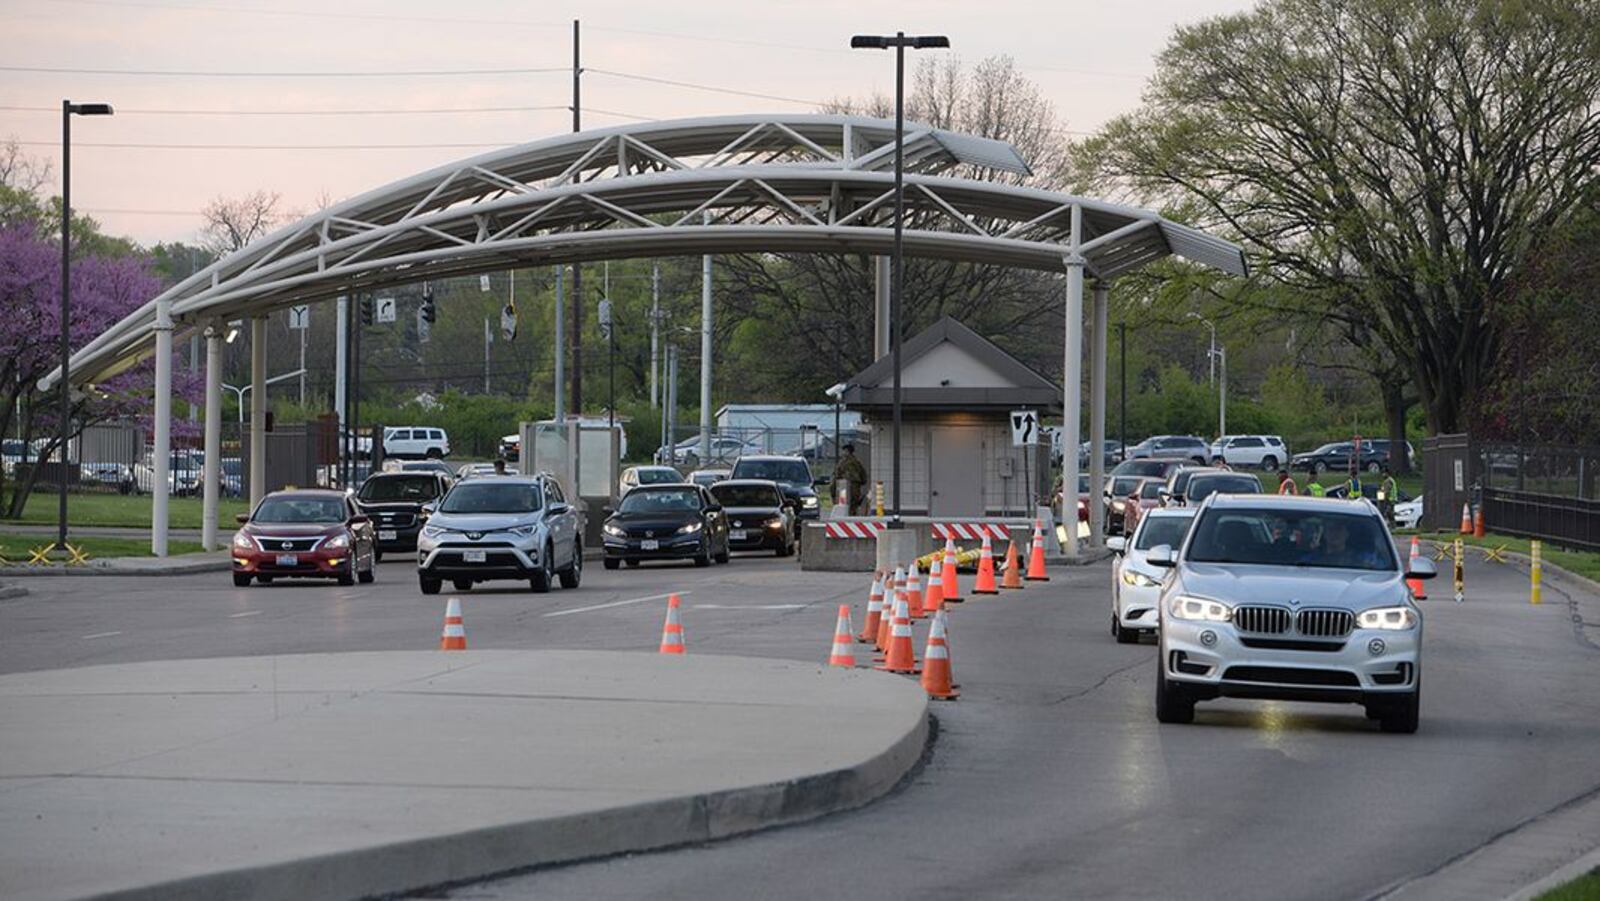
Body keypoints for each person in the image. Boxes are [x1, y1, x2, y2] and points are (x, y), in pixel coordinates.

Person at [835, 443, 868, 515]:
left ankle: (846, 514)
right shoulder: (857, 461)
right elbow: (863, 474)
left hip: (844, 485)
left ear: (847, 451)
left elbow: (837, 474)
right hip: (856, 485)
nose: (843, 453)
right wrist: (862, 482)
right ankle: (853, 513)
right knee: (854, 501)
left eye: (844, 451)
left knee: (844, 502)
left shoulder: (843, 462)